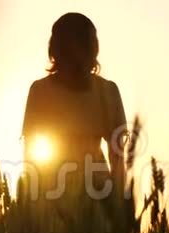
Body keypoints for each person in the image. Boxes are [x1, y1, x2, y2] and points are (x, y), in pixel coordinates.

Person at [21, 12, 127, 205]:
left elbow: (117, 156)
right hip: (55, 195)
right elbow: (29, 154)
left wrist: (118, 204)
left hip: (89, 195)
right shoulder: (40, 91)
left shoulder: (108, 91)